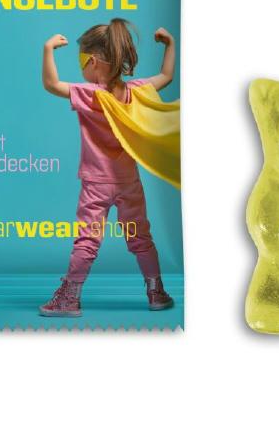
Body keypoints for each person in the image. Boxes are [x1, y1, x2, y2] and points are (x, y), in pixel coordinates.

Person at [39, 18, 176, 317]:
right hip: (129, 182)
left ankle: (70, 298)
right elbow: (166, 76)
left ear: (92, 61)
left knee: (87, 240)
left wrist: (48, 48)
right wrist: (170, 44)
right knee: (141, 238)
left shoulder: (89, 94)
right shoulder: (136, 91)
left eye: (81, 62)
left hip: (95, 184)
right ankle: (156, 292)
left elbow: (50, 84)